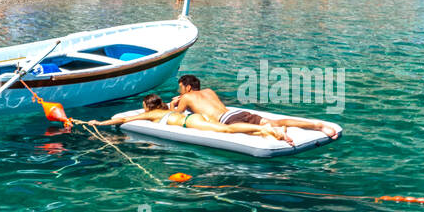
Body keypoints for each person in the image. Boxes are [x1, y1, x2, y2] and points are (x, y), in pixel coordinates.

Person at [167, 75, 338, 141]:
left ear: (187, 87)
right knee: (277, 121)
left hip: (228, 119)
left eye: (180, 87)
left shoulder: (186, 97)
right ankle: (317, 126)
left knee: (239, 129)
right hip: (237, 112)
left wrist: (174, 103)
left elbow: (177, 115)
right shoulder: (209, 91)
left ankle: (274, 132)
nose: (179, 90)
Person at [78, 95, 290, 141]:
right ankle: (263, 130)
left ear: (146, 107)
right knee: (224, 129)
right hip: (197, 117)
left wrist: (100, 123)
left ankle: (265, 130)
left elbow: (122, 121)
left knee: (226, 130)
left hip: (192, 122)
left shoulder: (151, 114)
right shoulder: (164, 109)